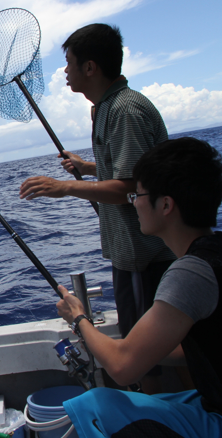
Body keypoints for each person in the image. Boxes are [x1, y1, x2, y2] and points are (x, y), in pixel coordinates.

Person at [19, 24, 175, 390]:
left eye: (70, 62)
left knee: (147, 364)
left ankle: (161, 420)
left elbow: (131, 189)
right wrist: (88, 168)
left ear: (90, 67)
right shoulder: (107, 107)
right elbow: (132, 168)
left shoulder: (124, 111)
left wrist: (67, 187)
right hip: (133, 257)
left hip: (146, 258)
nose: (65, 70)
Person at [56, 137, 222, 437]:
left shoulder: (192, 272)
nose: (133, 202)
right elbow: (199, 349)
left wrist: (78, 318)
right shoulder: (215, 252)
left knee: (93, 406)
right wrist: (141, 349)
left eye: (138, 194)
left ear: (166, 205)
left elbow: (122, 368)